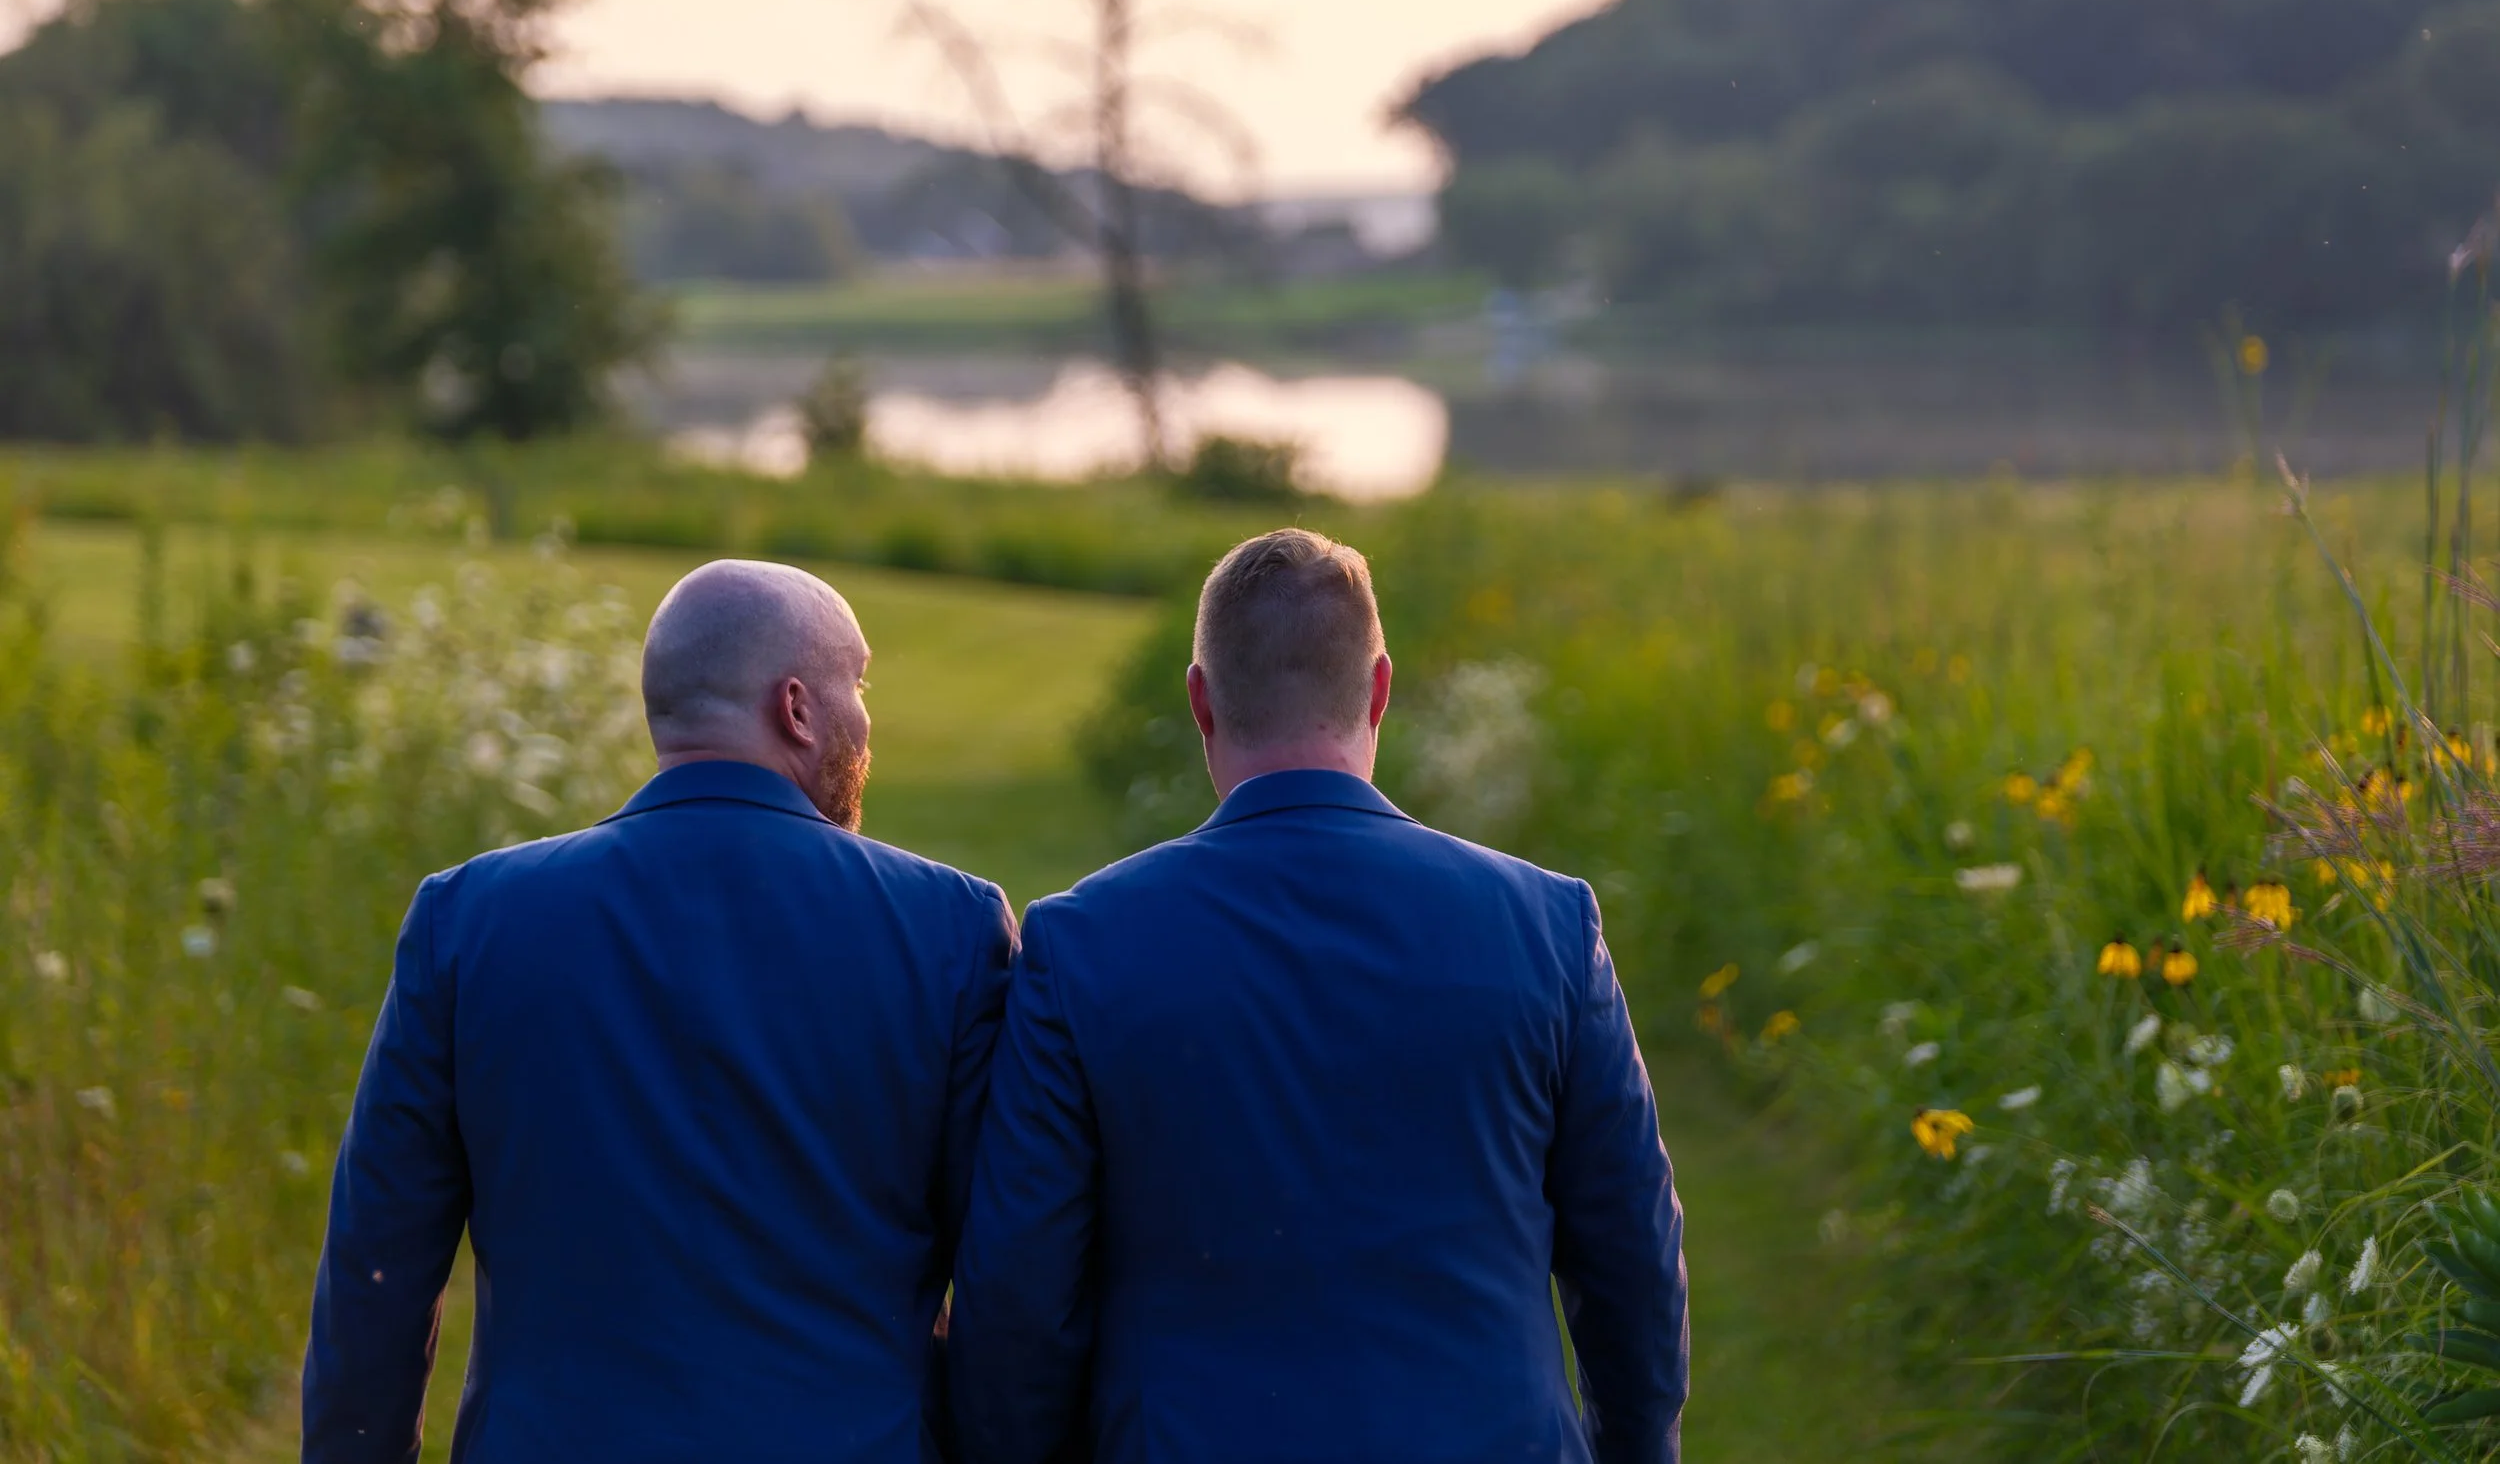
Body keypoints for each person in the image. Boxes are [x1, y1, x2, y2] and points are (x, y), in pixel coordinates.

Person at [949, 529, 1687, 1464]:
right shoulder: (1546, 924)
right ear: (1379, 688)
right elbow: (1631, 1259)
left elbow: (1019, 1293)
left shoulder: (1081, 943)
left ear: (1200, 701)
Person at [302, 560, 1016, 1464]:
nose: (867, 715)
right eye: (859, 681)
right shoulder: (949, 930)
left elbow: (379, 1267)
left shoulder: (472, 918)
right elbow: (1007, 1276)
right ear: (797, 707)